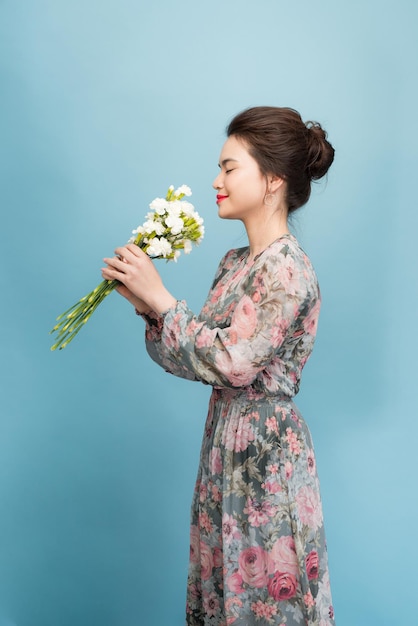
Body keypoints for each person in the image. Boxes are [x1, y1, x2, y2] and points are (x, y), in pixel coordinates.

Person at [102, 106, 336, 625]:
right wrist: (144, 303)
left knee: (267, 595)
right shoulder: (234, 264)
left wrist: (163, 301)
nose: (217, 180)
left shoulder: (289, 269)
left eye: (230, 168)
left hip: (266, 452)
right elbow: (192, 358)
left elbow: (233, 364)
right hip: (223, 444)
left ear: (272, 179)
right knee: (221, 585)